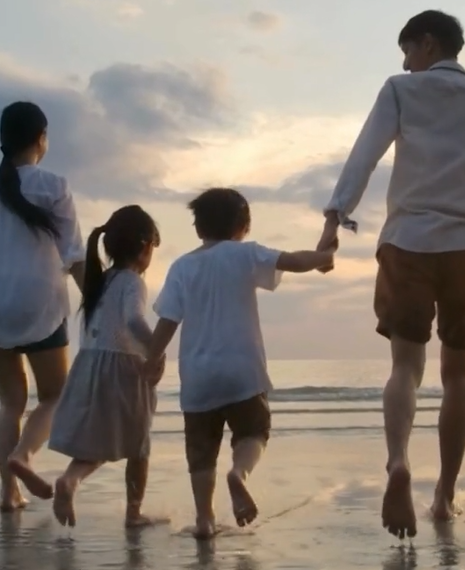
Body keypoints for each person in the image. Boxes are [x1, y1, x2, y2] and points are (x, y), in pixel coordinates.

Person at [315, 10, 465, 537]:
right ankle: (444, 496)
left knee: (405, 365)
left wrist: (335, 219)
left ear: (427, 44)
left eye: (407, 51)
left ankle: (399, 461)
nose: (404, 62)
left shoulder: (402, 90)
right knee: (457, 375)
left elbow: (365, 155)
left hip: (409, 242)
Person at [142, 188, 335, 540]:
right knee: (253, 431)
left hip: (198, 378)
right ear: (243, 226)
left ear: (198, 228)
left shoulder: (182, 266)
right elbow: (292, 260)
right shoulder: (246, 255)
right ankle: (239, 475)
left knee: (201, 453)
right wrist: (322, 256)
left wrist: (150, 360)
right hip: (242, 372)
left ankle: (204, 520)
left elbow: (167, 321)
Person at [0, 101, 85, 511]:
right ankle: (23, 456)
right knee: (55, 396)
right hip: (38, 303)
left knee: (10, 403)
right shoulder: (54, 185)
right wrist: (99, 304)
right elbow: (73, 254)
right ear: (41, 138)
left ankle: (8, 493)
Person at [46, 205, 168, 529]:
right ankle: (134, 513)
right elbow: (132, 320)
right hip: (123, 369)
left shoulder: (100, 280)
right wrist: (156, 350)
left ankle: (71, 480)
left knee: (99, 440)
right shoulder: (132, 281)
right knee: (138, 444)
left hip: (89, 367)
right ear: (145, 246)